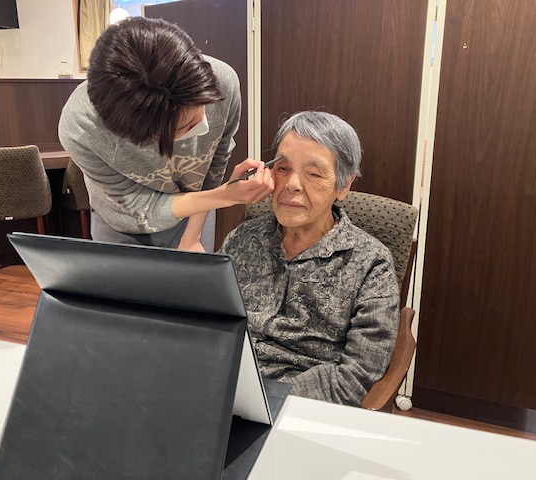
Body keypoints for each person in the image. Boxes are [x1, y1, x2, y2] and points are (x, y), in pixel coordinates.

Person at [219, 111, 400, 406]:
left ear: (344, 185)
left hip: (301, 408)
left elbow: (358, 374)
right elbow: (212, 325)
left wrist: (266, 401)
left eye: (314, 174)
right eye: (282, 168)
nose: (292, 184)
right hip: (222, 390)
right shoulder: (242, 239)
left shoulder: (371, 263)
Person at [58, 16, 273, 251]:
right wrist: (226, 196)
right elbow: (141, 206)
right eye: (185, 128)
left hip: (195, 211)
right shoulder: (82, 128)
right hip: (122, 222)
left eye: (202, 107)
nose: (203, 124)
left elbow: (211, 172)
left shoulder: (220, 83)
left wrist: (193, 236)